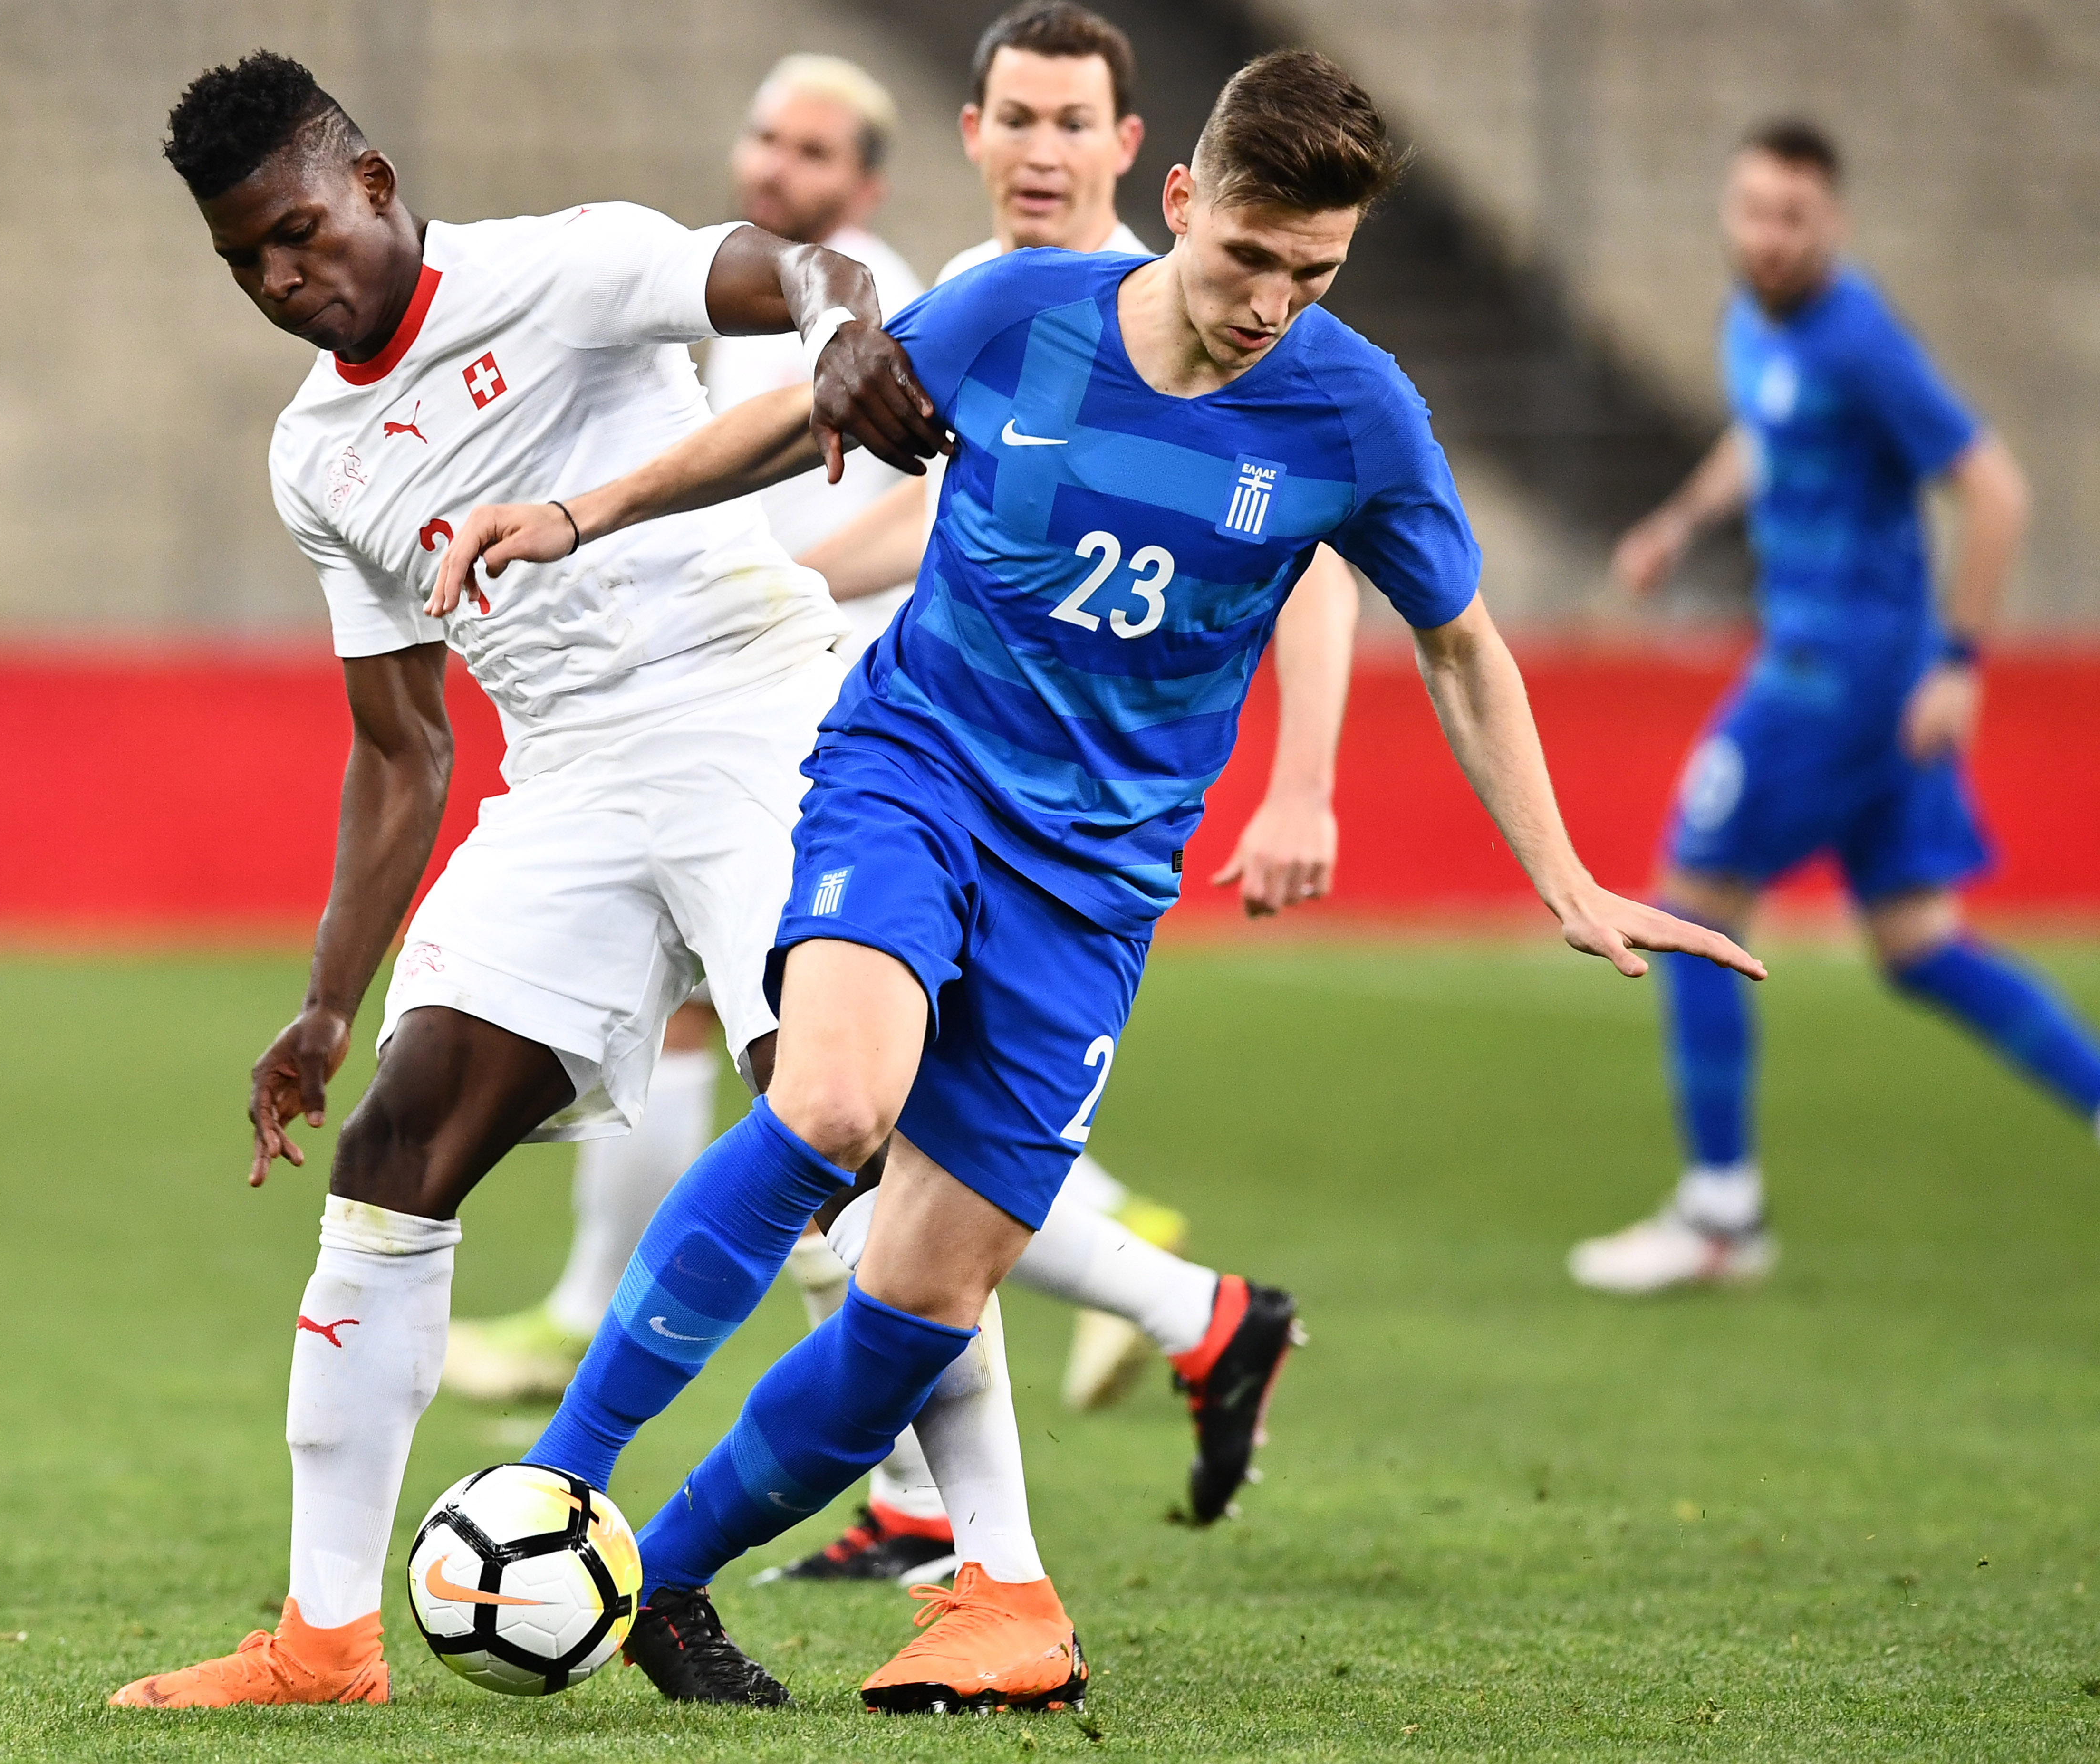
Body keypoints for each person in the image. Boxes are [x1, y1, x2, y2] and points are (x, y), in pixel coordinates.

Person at [437, 49, 1762, 1711]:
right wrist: (577, 512)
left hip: (1095, 880)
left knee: (921, 1293)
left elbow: (1458, 640)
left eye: (1314, 273)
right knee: (835, 1102)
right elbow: (798, 419)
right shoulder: (1020, 315)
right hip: (911, 775)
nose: (1272, 302)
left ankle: (658, 1580)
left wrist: (1561, 875)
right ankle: (553, 1488)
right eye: (1248, 258)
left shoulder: (1352, 410)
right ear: (1184, 204)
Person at [105, 49, 946, 1710]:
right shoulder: (315, 459)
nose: (283, 281)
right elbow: (401, 746)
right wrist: (327, 1002)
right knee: (395, 1145)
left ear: (369, 181)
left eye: (295, 233)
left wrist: (843, 321)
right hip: (564, 779)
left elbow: (789, 268)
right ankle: (323, 1639)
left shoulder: (558, 267)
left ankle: (984, 1575)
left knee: (846, 1149)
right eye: (244, 264)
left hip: (749, 715)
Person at [765, 4, 1367, 1585]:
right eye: (1011, 119)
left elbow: (1312, 555)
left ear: (1131, 154)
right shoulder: (988, 305)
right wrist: (760, 588)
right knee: (854, 1149)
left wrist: (1301, 780)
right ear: (967, 135)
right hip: (934, 768)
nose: (1038, 151)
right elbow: (963, 530)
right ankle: (1015, 1457)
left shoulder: (1213, 319)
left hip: (1067, 832)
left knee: (862, 1150)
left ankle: (1056, 1440)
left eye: (1068, 123)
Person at [438, 51, 928, 1412]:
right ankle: (605, 1316)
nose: (781, 167)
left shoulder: (881, 300)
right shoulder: (735, 295)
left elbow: (944, 492)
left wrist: (809, 587)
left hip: (823, 696)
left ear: (867, 183)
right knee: (762, 1054)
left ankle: (1158, 1303)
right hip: (730, 698)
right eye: (769, 138)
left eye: (816, 153)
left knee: (824, 1080)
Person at [1568, 120, 2097, 1295]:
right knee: (1918, 944)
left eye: (1793, 217)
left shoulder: (1859, 338)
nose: (1768, 236)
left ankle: (1719, 1213)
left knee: (1691, 897)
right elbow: (1761, 435)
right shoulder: (1753, 322)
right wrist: (1677, 521)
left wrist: (1962, 657)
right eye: (1752, 210)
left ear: (1834, 224)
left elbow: (1995, 489)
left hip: (1838, 676)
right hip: (1864, 683)